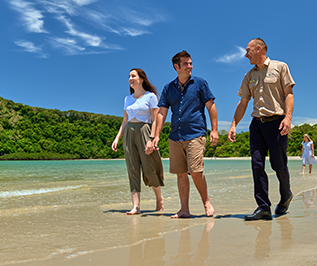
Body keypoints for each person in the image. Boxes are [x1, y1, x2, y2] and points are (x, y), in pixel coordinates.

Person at [228, 38, 295, 221]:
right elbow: (243, 103)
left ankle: (286, 195)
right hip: (257, 124)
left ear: (259, 49)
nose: (245, 54)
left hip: (277, 123)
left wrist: (288, 118)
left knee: (279, 165)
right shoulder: (249, 76)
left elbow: (289, 94)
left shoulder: (280, 67)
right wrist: (234, 125)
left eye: (248, 50)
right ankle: (263, 207)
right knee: (257, 165)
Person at [151, 50, 217, 218]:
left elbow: (210, 106)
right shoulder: (168, 88)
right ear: (176, 66)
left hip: (195, 134)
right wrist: (156, 135)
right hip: (175, 137)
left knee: (195, 171)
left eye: (190, 63)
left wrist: (214, 130)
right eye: (186, 64)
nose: (190, 66)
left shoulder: (200, 83)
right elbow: (161, 113)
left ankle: (206, 202)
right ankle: (184, 209)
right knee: (181, 174)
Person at [112, 68, 165, 215]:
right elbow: (124, 121)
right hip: (129, 132)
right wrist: (117, 138)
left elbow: (155, 120)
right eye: (129, 76)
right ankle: (136, 206)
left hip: (145, 131)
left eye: (133, 76)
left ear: (141, 79)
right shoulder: (127, 99)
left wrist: (151, 139)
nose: (130, 78)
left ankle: (159, 198)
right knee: (132, 169)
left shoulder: (151, 97)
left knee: (149, 168)